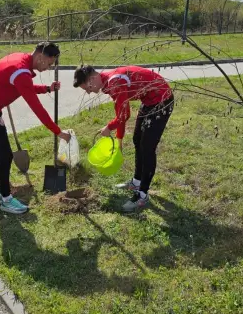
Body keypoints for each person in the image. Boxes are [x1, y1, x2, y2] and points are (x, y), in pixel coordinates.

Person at [0, 42, 71, 214]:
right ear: (40, 57)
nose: (48, 68)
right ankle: (6, 200)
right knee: (5, 156)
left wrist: (46, 88)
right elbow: (37, 107)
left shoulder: (21, 60)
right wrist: (58, 131)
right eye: (49, 63)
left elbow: (25, 87)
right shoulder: (21, 71)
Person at [73, 65, 173, 213]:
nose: (88, 92)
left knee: (147, 148)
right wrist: (119, 138)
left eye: (86, 87)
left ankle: (142, 194)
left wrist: (109, 127)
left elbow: (123, 116)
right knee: (137, 140)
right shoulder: (108, 82)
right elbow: (120, 110)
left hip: (162, 100)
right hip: (149, 101)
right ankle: (136, 182)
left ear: (93, 78)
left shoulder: (115, 82)